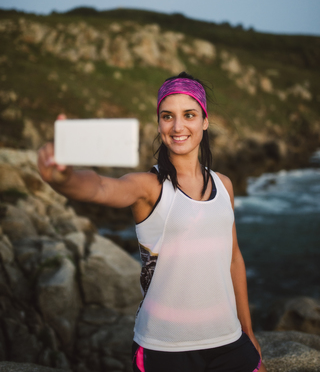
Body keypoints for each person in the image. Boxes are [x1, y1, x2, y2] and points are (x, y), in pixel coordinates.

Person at [38, 72, 267, 372]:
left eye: (189, 115)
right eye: (167, 116)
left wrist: (247, 332)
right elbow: (101, 188)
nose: (178, 126)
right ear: (159, 124)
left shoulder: (224, 185)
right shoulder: (149, 186)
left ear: (205, 120)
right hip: (164, 348)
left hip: (228, 340)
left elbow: (234, 259)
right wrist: (64, 178)